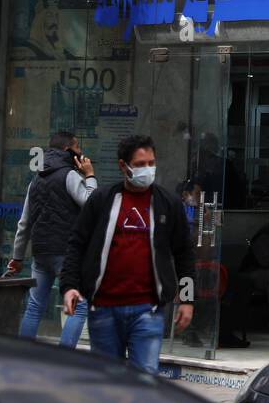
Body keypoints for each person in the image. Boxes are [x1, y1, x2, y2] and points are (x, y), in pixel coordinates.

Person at [60, 134, 195, 374]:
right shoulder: (102, 200)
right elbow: (77, 243)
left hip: (148, 311)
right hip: (103, 309)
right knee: (108, 384)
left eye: (151, 163)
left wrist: (187, 299)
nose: (148, 170)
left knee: (145, 383)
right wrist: (69, 286)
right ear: (123, 166)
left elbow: (184, 252)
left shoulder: (168, 203)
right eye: (140, 164)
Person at [6, 131, 95, 346]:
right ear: (67, 150)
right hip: (66, 252)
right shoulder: (69, 175)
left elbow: (23, 223)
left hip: (41, 252)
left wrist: (17, 257)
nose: (81, 152)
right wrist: (90, 175)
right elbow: (91, 204)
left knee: (35, 306)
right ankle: (63, 359)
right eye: (77, 147)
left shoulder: (35, 180)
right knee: (78, 306)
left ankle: (23, 353)